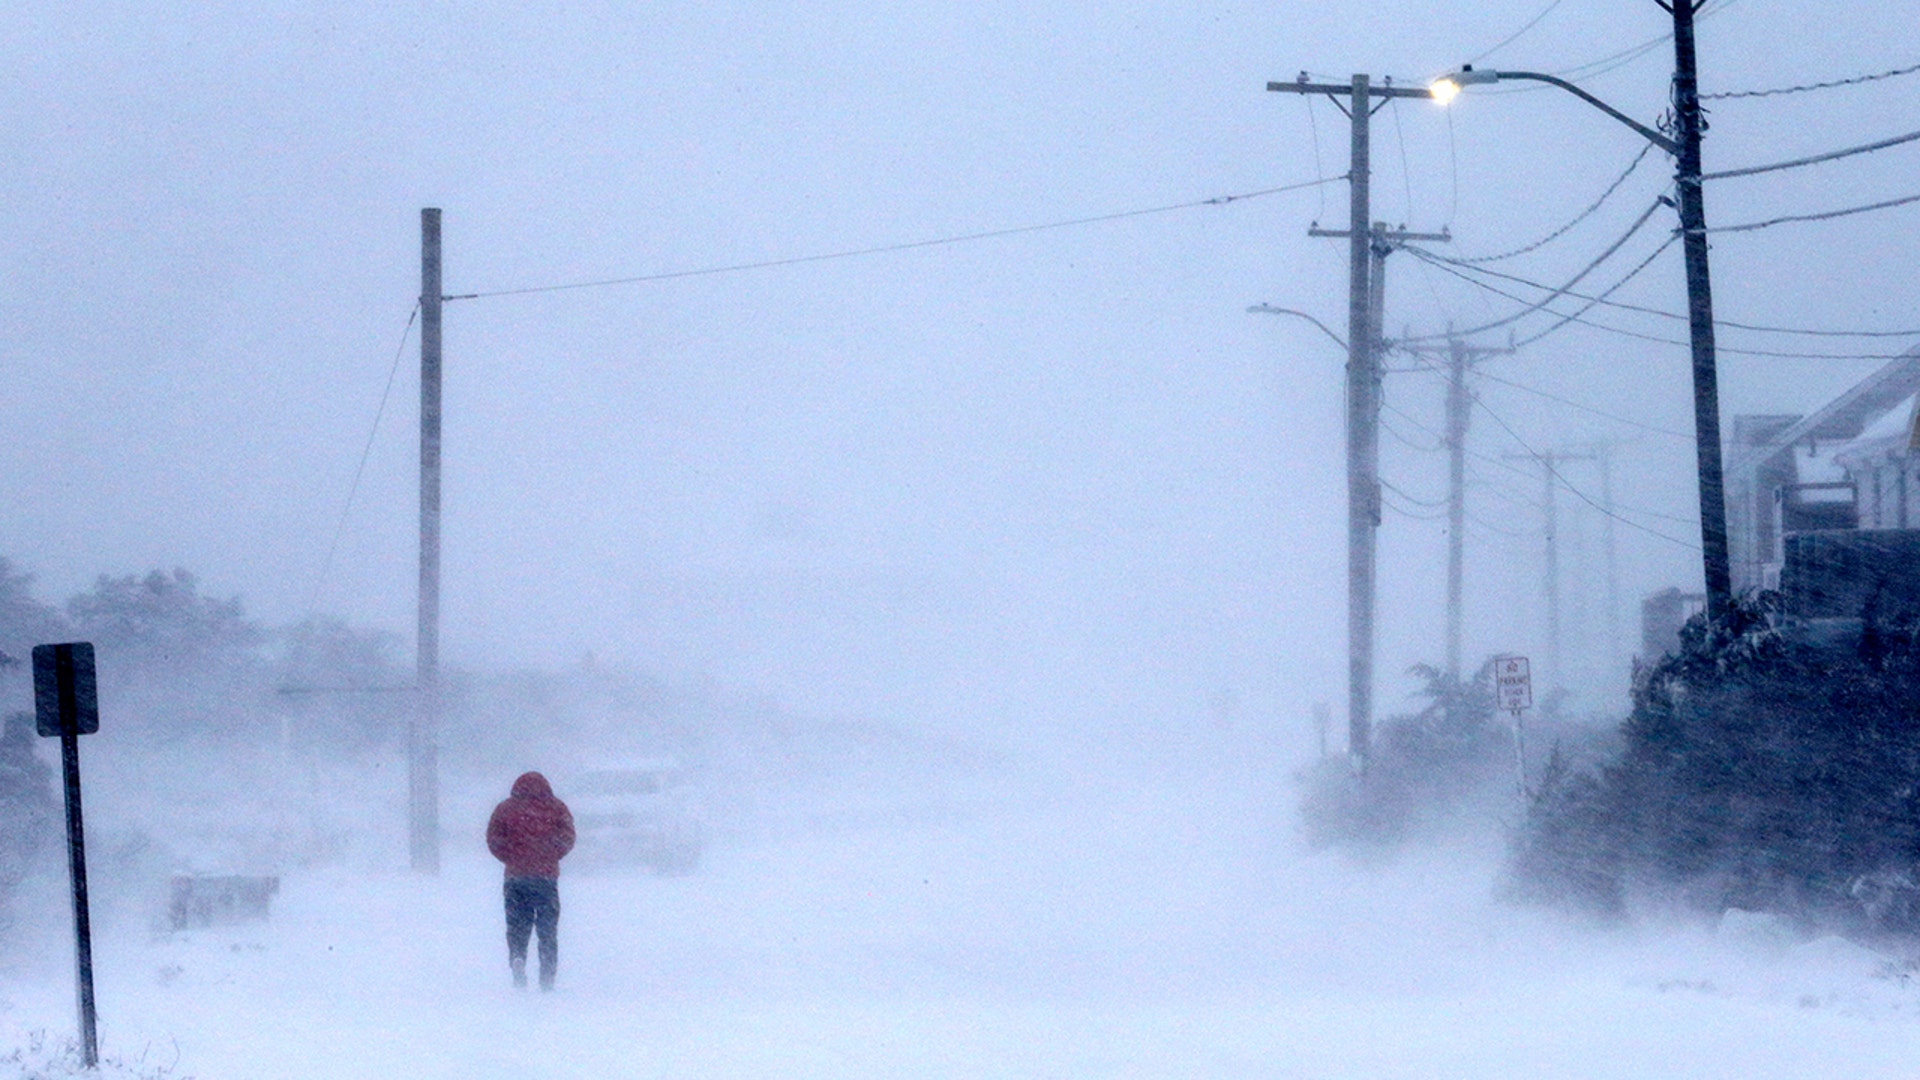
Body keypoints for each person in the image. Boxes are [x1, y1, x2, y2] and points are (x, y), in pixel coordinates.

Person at [486, 771, 575, 990]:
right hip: (546, 878)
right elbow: (568, 837)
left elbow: (493, 839)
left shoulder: (505, 808)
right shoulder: (556, 807)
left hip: (516, 878)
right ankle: (547, 975)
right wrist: (550, 855)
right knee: (547, 929)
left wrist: (511, 858)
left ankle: (517, 957)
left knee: (517, 925)